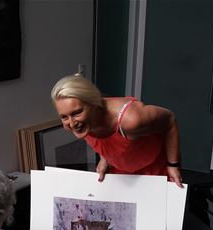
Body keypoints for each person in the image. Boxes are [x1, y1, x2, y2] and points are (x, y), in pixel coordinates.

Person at [51, 74, 183, 187]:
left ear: (94, 104)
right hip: (120, 172)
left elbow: (170, 121)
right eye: (64, 117)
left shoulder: (130, 120)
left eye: (77, 113)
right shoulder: (83, 122)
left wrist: (173, 165)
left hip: (152, 169)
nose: (72, 124)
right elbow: (103, 140)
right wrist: (104, 159)